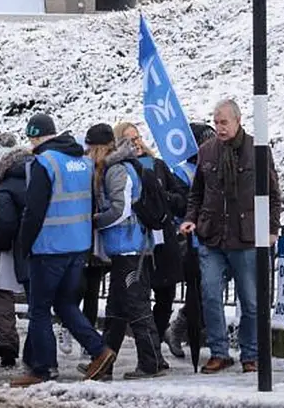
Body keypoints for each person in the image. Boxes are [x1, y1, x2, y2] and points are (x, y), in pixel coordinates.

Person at [11, 113, 115, 388]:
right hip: (78, 246)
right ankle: (100, 350)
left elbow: (34, 211)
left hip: (49, 247)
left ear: (35, 138)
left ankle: (43, 369)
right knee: (66, 304)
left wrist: (24, 244)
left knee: (40, 309)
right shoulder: (82, 161)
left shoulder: (43, 163)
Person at [180, 99, 282, 374]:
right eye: (216, 122)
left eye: (224, 122)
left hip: (246, 237)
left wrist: (272, 229)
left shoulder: (258, 151)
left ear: (238, 121)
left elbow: (273, 194)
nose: (219, 127)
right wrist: (190, 219)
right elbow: (197, 193)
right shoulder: (206, 152)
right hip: (213, 236)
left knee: (250, 301)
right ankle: (219, 352)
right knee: (210, 294)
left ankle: (250, 354)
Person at [83, 123, 166, 380]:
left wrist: (95, 220)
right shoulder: (118, 167)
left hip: (131, 249)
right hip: (125, 248)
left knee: (137, 308)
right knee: (116, 310)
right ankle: (104, 365)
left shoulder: (116, 170)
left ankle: (150, 364)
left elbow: (120, 210)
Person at [113, 121, 185, 350]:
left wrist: (162, 198)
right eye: (129, 139)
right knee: (136, 300)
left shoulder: (158, 166)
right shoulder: (120, 170)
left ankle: (154, 346)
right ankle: (150, 350)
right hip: (139, 243)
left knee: (165, 297)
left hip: (163, 241)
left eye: (137, 137)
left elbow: (181, 199)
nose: (136, 143)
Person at [165, 121, 216, 359]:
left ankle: (186, 326)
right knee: (199, 291)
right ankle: (178, 328)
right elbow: (182, 206)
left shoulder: (217, 167)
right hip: (192, 241)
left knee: (211, 291)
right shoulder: (182, 172)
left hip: (217, 238)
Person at [0, 133, 29, 368]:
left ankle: (8, 346)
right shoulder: (39, 174)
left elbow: (6, 223)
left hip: (13, 247)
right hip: (43, 245)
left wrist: (1, 243)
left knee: (2, 292)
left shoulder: (5, 187)